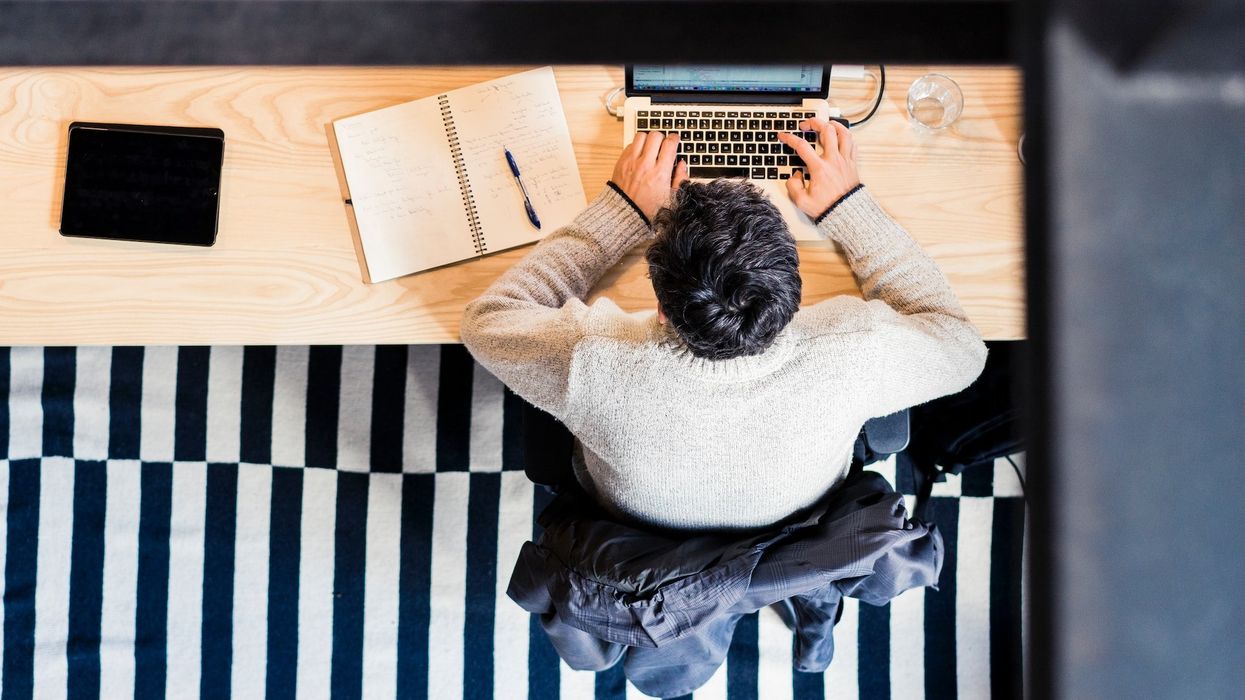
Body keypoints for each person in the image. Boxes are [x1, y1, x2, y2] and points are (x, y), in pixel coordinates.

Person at [462, 120, 986, 531]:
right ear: (793, 294)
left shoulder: (595, 357)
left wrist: (622, 212)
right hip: (796, 532)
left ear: (662, 310)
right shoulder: (853, 351)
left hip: (634, 537)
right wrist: (848, 208)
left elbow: (488, 319)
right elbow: (961, 345)